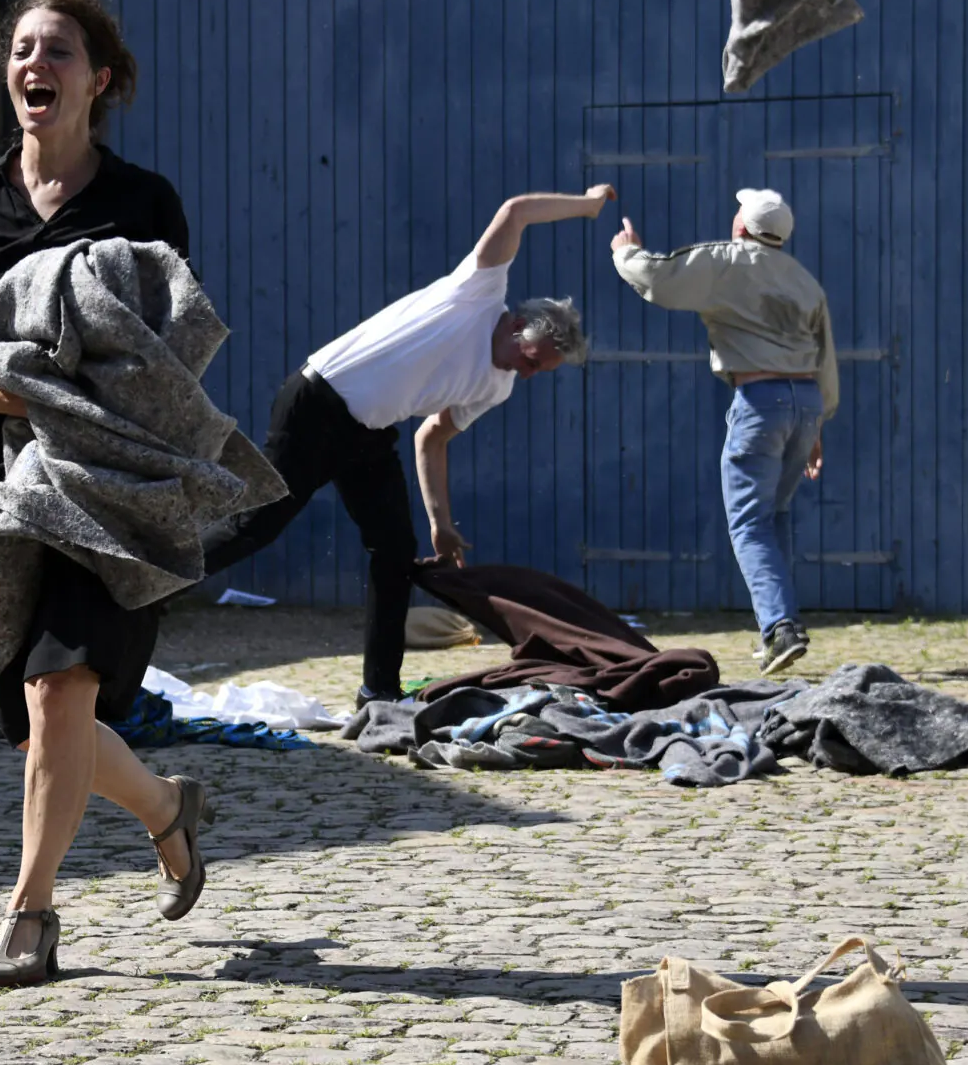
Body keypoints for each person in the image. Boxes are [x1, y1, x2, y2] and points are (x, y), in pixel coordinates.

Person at [0, 0, 209, 989]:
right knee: (43, 710)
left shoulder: (143, 202)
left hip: (114, 491)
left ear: (101, 81)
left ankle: (29, 913)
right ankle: (168, 807)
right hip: (13, 493)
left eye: (59, 52)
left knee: (57, 685)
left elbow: (163, 352)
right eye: (23, 50)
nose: (35, 65)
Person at [202, 188, 612, 706]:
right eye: (530, 359)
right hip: (316, 403)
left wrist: (440, 523)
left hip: (369, 434)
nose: (527, 373)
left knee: (395, 551)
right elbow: (514, 211)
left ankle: (379, 690)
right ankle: (148, 587)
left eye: (538, 371)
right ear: (513, 325)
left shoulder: (498, 384)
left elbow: (432, 436)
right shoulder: (478, 293)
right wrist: (587, 203)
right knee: (256, 526)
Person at [612, 186, 840, 675]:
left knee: (748, 522)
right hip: (805, 403)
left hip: (760, 402)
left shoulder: (725, 261)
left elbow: (658, 278)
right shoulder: (805, 281)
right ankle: (776, 624)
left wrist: (625, 252)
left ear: (742, 226)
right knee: (773, 516)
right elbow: (825, 356)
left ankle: (780, 627)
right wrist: (817, 424)